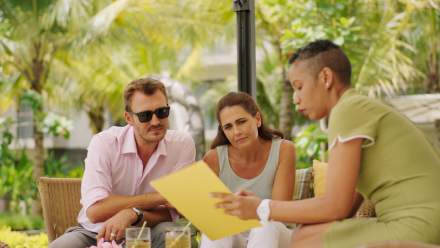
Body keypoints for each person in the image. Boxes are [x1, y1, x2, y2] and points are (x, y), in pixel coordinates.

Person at [212, 40, 440, 248]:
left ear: (326, 78)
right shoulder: (357, 108)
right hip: (422, 221)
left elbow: (336, 205)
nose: (295, 98)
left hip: (418, 224)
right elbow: (346, 206)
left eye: (299, 87)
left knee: (304, 238)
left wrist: (261, 208)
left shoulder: (348, 109)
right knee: (306, 234)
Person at [50, 77, 196, 248]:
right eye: (145, 115)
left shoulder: (182, 145)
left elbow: (176, 211)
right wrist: (161, 197)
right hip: (96, 232)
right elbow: (96, 211)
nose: (156, 121)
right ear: (129, 118)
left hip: (151, 230)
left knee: (178, 239)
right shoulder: (104, 143)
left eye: (162, 112)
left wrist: (133, 214)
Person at [201, 92, 296, 248]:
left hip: (276, 233)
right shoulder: (213, 159)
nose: (236, 132)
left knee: (266, 225)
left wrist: (255, 206)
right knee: (217, 228)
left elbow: (280, 212)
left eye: (241, 122)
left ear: (257, 119)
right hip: (235, 236)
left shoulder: (284, 149)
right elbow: (206, 215)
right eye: (228, 127)